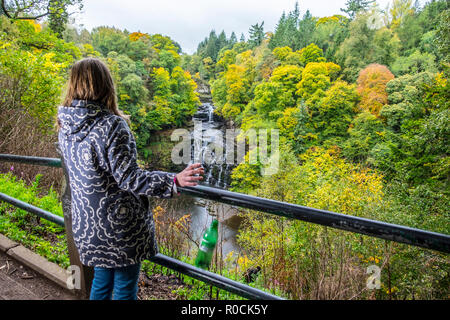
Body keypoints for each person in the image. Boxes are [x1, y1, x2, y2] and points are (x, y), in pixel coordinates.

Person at [56, 58, 204, 300]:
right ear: (106, 85)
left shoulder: (65, 125)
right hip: (118, 228)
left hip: (88, 226)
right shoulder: (112, 125)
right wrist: (173, 181)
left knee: (101, 283)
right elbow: (130, 178)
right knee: (124, 289)